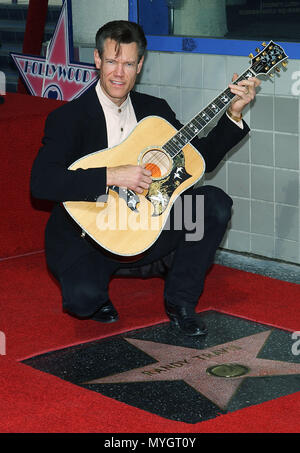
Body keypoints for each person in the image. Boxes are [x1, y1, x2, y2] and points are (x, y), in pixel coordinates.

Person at [31, 20, 260, 336]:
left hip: (149, 224)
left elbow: (199, 160)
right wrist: (113, 174)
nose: (118, 73)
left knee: (213, 205)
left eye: (128, 63)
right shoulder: (68, 118)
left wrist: (233, 113)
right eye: (111, 61)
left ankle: (180, 302)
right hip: (92, 235)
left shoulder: (155, 111)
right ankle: (100, 287)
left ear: (140, 65)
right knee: (83, 303)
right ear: (97, 59)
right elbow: (42, 182)